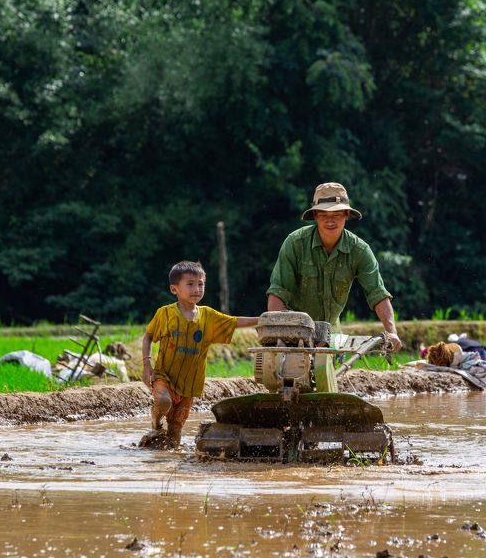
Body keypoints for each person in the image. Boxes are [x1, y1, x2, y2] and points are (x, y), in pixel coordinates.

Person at [266, 182, 402, 351]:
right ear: (315, 215)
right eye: (323, 214)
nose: (330, 220)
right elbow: (278, 292)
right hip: (294, 332)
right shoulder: (295, 243)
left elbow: (377, 293)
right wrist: (281, 335)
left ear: (346, 215)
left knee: (329, 373)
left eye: (337, 214)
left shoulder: (359, 250)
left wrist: (391, 332)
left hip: (332, 335)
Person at [141, 260, 259, 448]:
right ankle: (155, 422)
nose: (196, 289)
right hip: (165, 375)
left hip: (189, 384)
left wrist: (262, 320)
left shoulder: (208, 317)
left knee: (176, 430)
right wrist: (147, 365)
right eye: (190, 284)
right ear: (174, 289)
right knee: (163, 401)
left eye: (200, 284)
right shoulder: (165, 314)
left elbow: (234, 322)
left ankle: (167, 463)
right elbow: (148, 336)